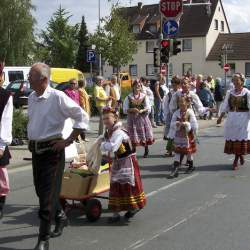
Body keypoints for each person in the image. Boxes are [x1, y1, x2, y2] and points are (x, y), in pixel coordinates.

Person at [27, 63, 89, 250]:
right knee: (42, 193)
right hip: (36, 152)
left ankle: (43, 239)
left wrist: (68, 140)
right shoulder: (31, 97)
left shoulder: (57, 97)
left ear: (44, 80)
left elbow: (82, 116)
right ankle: (60, 216)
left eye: (31, 76)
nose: (28, 78)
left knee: (45, 199)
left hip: (53, 153)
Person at [98, 107, 146, 222]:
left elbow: (113, 146)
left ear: (114, 118)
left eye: (107, 118)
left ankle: (133, 207)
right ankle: (116, 214)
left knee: (127, 185)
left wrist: (101, 144)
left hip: (127, 162)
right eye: (103, 119)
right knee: (115, 185)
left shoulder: (118, 132)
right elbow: (103, 140)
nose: (105, 121)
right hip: (119, 161)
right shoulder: (110, 131)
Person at [217, 73, 250, 170]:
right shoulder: (229, 92)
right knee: (234, 139)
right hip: (232, 118)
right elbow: (225, 105)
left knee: (240, 139)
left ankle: (236, 159)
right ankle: (240, 156)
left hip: (243, 119)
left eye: (237, 80)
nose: (235, 82)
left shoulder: (247, 93)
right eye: (234, 80)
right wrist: (220, 117)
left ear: (242, 81)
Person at [168, 96, 198, 178]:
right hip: (179, 135)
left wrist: (187, 124)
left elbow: (194, 125)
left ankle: (191, 165)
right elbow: (172, 124)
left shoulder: (190, 112)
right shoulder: (176, 113)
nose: (181, 104)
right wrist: (176, 124)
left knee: (188, 151)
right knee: (178, 151)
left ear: (187, 103)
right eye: (179, 102)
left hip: (188, 135)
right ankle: (176, 169)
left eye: (183, 102)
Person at [123, 80, 154, 158]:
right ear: (133, 87)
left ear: (140, 87)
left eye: (139, 86)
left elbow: (148, 107)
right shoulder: (128, 97)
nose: (137, 87)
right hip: (132, 119)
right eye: (136, 86)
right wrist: (132, 110)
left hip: (142, 118)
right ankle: (133, 151)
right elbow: (124, 109)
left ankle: (146, 149)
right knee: (133, 135)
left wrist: (143, 110)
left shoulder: (144, 96)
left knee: (144, 134)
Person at [0, 63, 13, 220]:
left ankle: (1, 204)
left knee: (0, 175)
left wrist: (2, 145)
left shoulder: (4, 96)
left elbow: (6, 120)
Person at [163, 76, 181, 157]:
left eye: (176, 83)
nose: (174, 85)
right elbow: (166, 105)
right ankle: (169, 150)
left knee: (179, 134)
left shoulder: (181, 93)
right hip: (171, 115)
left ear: (178, 84)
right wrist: (166, 116)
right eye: (173, 83)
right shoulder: (169, 94)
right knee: (171, 134)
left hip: (180, 115)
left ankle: (179, 150)